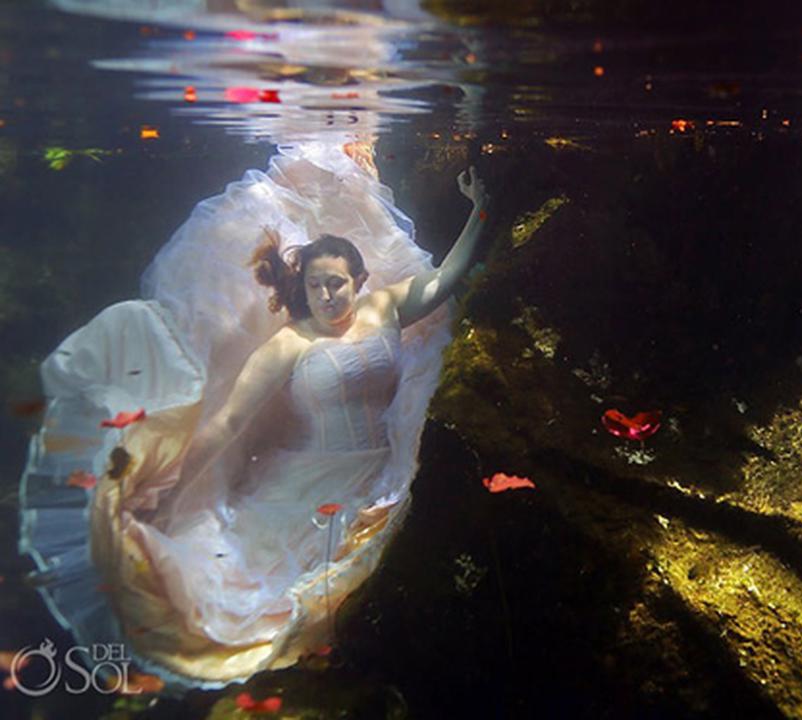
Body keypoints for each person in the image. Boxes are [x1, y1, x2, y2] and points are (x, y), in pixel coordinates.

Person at [18, 139, 487, 688]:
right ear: (303, 291)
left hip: (379, 464)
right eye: (316, 286)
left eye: (337, 283)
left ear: (359, 281)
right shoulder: (288, 344)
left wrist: (481, 209)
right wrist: (172, 480)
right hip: (308, 480)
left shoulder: (386, 305)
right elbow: (229, 422)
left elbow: (447, 278)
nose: (328, 296)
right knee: (245, 587)